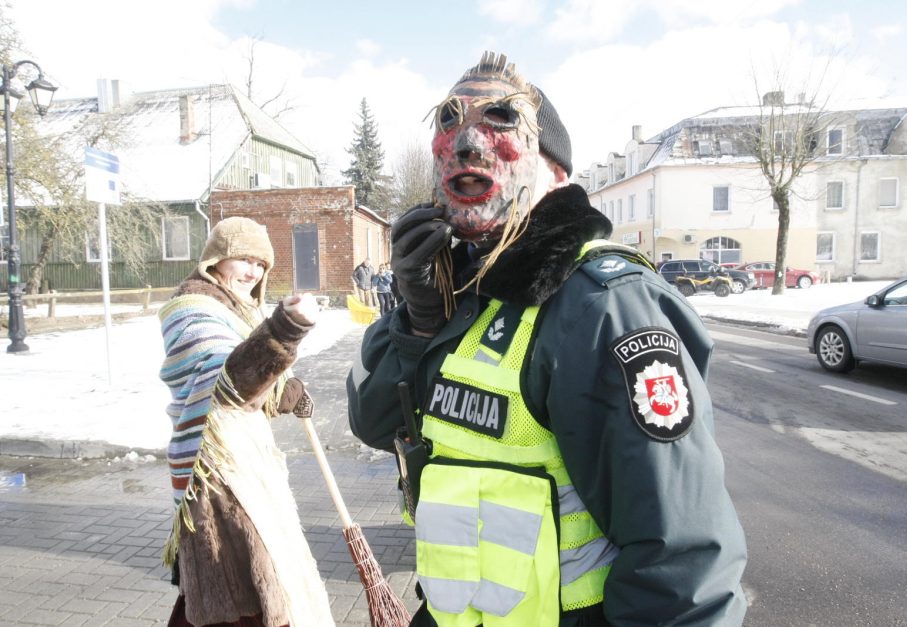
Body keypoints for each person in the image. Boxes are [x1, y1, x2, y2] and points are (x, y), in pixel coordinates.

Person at [347, 52, 747, 626]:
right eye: (449, 121)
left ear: (555, 169)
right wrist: (416, 324)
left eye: (501, 120)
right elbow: (375, 424)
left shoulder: (604, 306)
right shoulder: (457, 290)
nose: (466, 144)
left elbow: (684, 561)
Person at [159, 216, 334, 626]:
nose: (252, 272)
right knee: (240, 594)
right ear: (216, 260)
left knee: (230, 595)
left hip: (247, 467)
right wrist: (285, 331)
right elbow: (230, 384)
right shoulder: (192, 309)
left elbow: (256, 390)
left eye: (260, 263)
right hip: (216, 477)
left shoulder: (236, 309)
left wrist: (289, 392)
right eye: (242, 259)